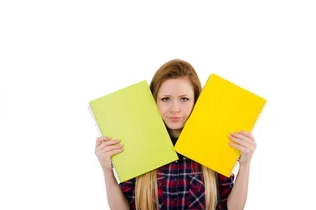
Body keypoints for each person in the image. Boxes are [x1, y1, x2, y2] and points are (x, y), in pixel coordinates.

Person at [94, 59, 255, 210]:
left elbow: (232, 208)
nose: (175, 109)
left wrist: (245, 164)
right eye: (165, 99)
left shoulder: (212, 143)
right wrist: (107, 170)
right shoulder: (137, 145)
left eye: (184, 99)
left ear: (196, 101)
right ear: (153, 101)